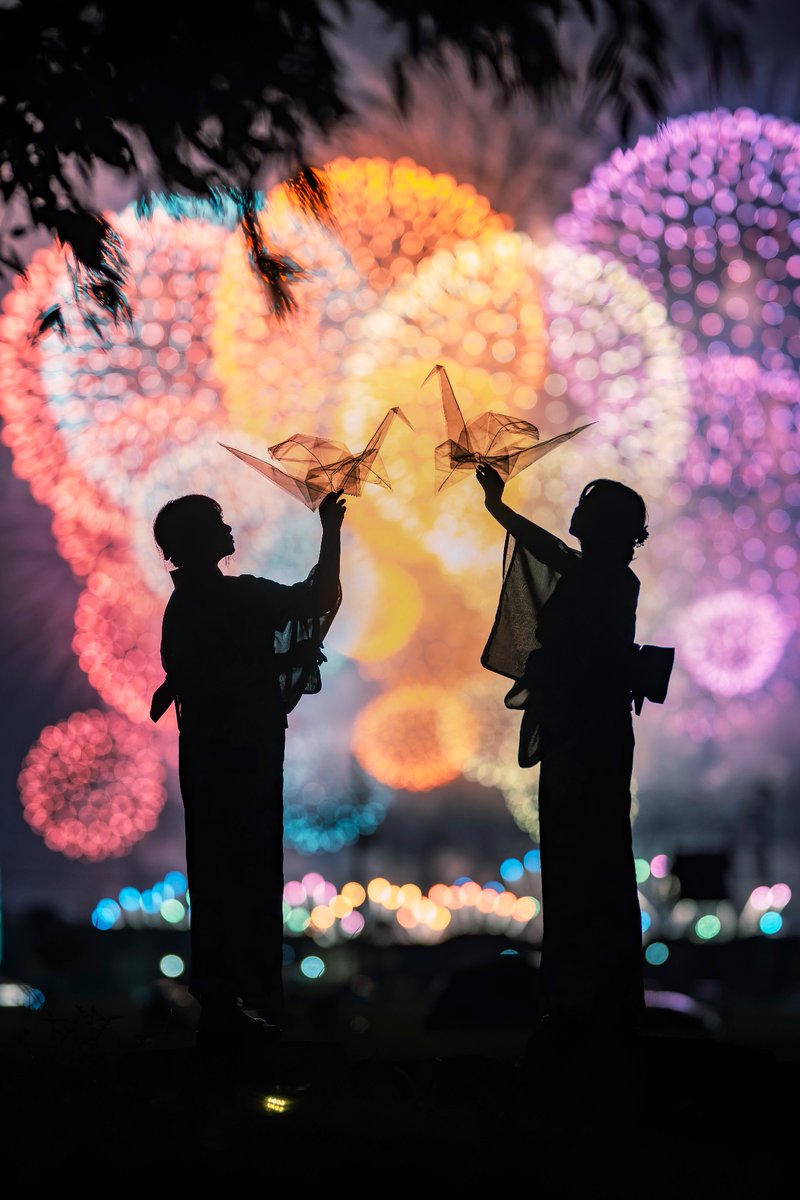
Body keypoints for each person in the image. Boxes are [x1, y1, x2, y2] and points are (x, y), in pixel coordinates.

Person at [150, 489, 346, 1053]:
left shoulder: (187, 603)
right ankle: (236, 1002)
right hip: (243, 752)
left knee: (219, 869)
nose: (228, 527)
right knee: (246, 865)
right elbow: (317, 598)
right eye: (216, 523)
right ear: (194, 542)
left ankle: (226, 1003)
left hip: (213, 752)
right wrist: (331, 530)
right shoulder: (236, 598)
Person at [478, 465, 659, 1037]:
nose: (576, 517)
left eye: (588, 510)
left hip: (586, 735)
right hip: (589, 731)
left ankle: (584, 995)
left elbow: (550, 552)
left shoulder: (602, 579)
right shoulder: (600, 574)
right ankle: (593, 991)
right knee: (587, 855)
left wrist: (499, 508)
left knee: (583, 855)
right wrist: (498, 508)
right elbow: (547, 547)